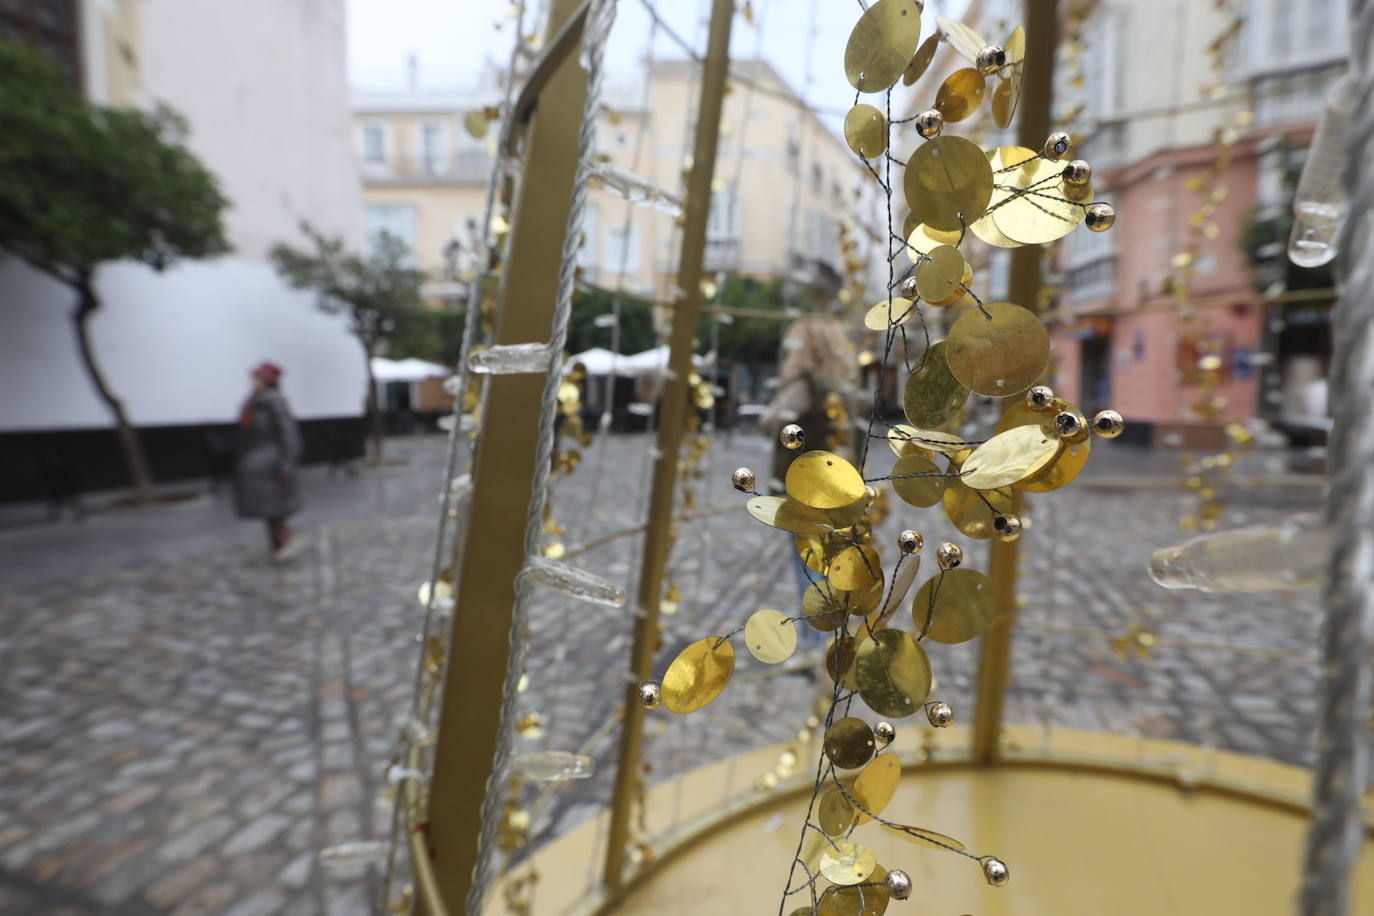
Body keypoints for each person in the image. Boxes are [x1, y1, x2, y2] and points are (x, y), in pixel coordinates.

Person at [234, 362, 306, 561]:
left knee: (275, 508)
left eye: (256, 378)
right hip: (258, 466)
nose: (252, 382)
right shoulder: (254, 403)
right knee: (268, 508)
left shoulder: (275, 403)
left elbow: (289, 435)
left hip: (272, 464)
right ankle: (278, 544)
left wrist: (286, 463)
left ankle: (286, 539)